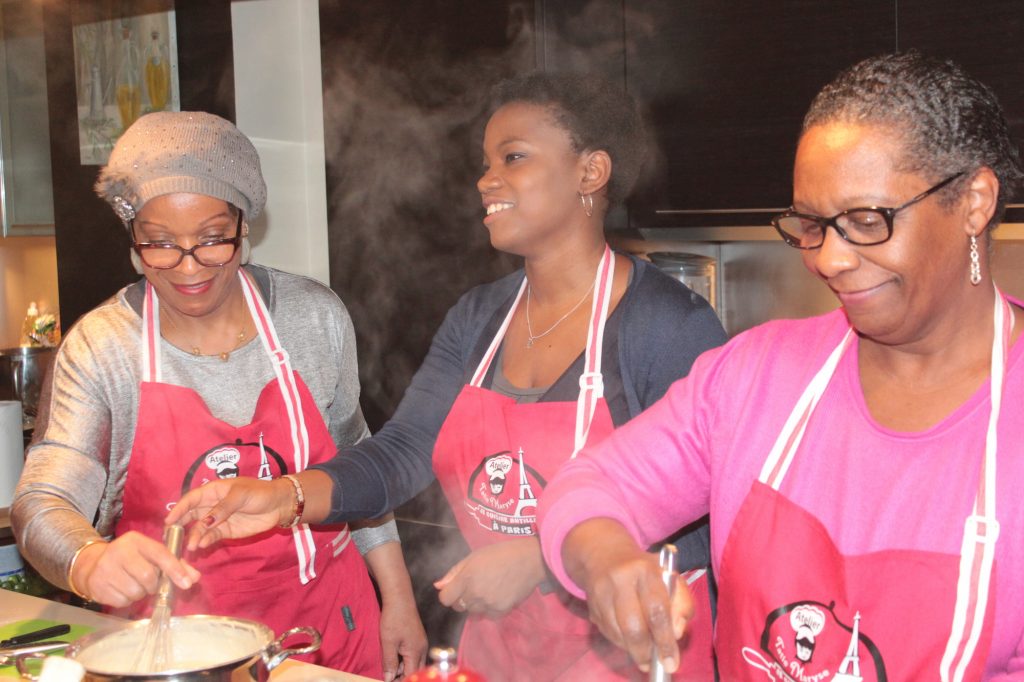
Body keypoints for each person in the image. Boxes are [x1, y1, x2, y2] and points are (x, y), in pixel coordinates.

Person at [166, 74, 728, 681]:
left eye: (513, 158)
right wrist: (284, 496)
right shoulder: (480, 317)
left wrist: (542, 560)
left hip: (633, 660)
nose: (485, 180)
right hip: (503, 656)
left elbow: (706, 524)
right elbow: (404, 453)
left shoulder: (668, 326)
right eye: (485, 163)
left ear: (590, 172)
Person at [537, 51, 1024, 680]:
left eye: (866, 221)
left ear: (975, 202)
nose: (831, 259)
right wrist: (605, 560)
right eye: (812, 225)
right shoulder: (754, 377)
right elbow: (589, 488)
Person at [11, 112, 427, 679]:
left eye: (212, 239)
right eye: (159, 244)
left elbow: (358, 461)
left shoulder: (312, 317)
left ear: (243, 226)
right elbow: (42, 502)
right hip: (173, 654)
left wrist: (397, 598)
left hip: (326, 629)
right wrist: (89, 560)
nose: (188, 269)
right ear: (134, 239)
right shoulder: (103, 347)